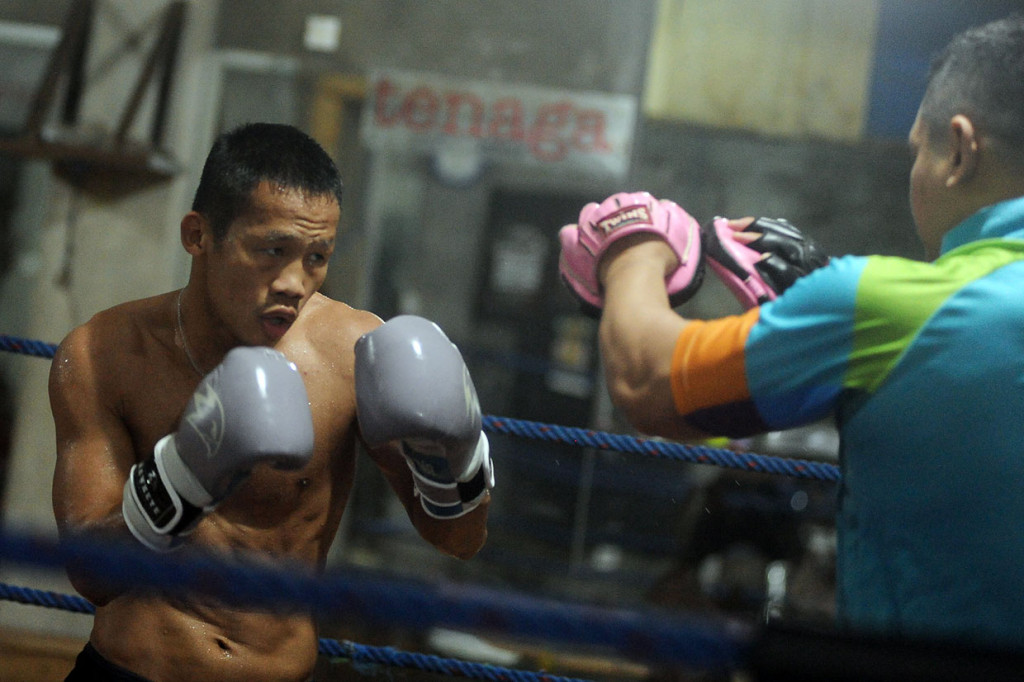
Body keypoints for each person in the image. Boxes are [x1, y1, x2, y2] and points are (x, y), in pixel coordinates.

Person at [559, 15, 1024, 652]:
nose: (913, 167)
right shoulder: (888, 313)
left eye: (919, 148)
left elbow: (649, 379)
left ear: (961, 152)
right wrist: (817, 319)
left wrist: (633, 244)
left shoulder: (881, 308)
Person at [49, 122, 493, 681]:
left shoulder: (352, 353)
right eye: (271, 250)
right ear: (198, 235)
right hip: (129, 671)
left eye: (316, 257)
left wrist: (454, 457)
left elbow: (459, 539)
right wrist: (184, 477)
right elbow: (89, 576)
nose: (293, 282)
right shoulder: (103, 353)